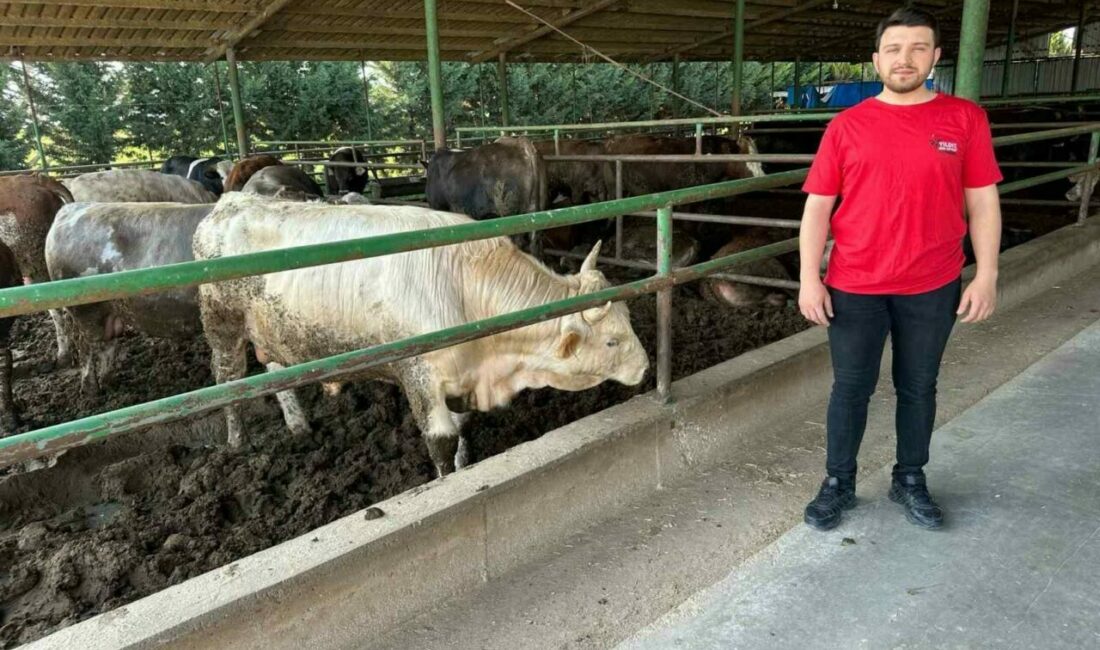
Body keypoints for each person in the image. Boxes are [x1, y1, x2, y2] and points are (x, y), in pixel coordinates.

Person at [798, 6, 1002, 531]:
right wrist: (808, 279)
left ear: (936, 57)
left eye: (917, 48)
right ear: (876, 60)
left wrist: (986, 275)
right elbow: (817, 207)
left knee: (919, 386)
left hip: (933, 283)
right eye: (893, 49)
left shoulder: (965, 119)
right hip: (854, 284)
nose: (904, 58)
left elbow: (982, 201)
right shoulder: (846, 125)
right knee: (850, 388)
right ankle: (838, 482)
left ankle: (909, 477)